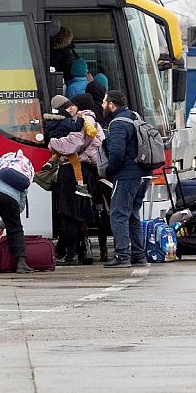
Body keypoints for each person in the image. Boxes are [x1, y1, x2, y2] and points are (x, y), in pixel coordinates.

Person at [51, 93, 105, 265]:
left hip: (71, 172)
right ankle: (83, 253)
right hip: (88, 172)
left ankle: (71, 255)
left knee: (68, 214)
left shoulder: (81, 121)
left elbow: (70, 145)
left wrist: (52, 142)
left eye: (72, 105)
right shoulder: (94, 122)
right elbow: (100, 143)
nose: (70, 108)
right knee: (80, 213)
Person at [102, 90, 148, 268]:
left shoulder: (118, 124)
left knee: (118, 214)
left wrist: (108, 170)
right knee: (133, 215)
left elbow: (117, 154)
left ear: (112, 105)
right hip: (143, 174)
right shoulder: (135, 117)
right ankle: (139, 255)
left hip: (126, 175)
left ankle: (122, 256)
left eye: (105, 103)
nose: (103, 106)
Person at [40, 95, 90, 198]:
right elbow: (76, 127)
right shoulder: (64, 120)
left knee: (58, 154)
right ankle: (80, 186)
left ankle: (49, 162)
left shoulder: (51, 120)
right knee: (76, 164)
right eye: (68, 107)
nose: (71, 109)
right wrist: (80, 118)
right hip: (65, 146)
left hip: (56, 145)